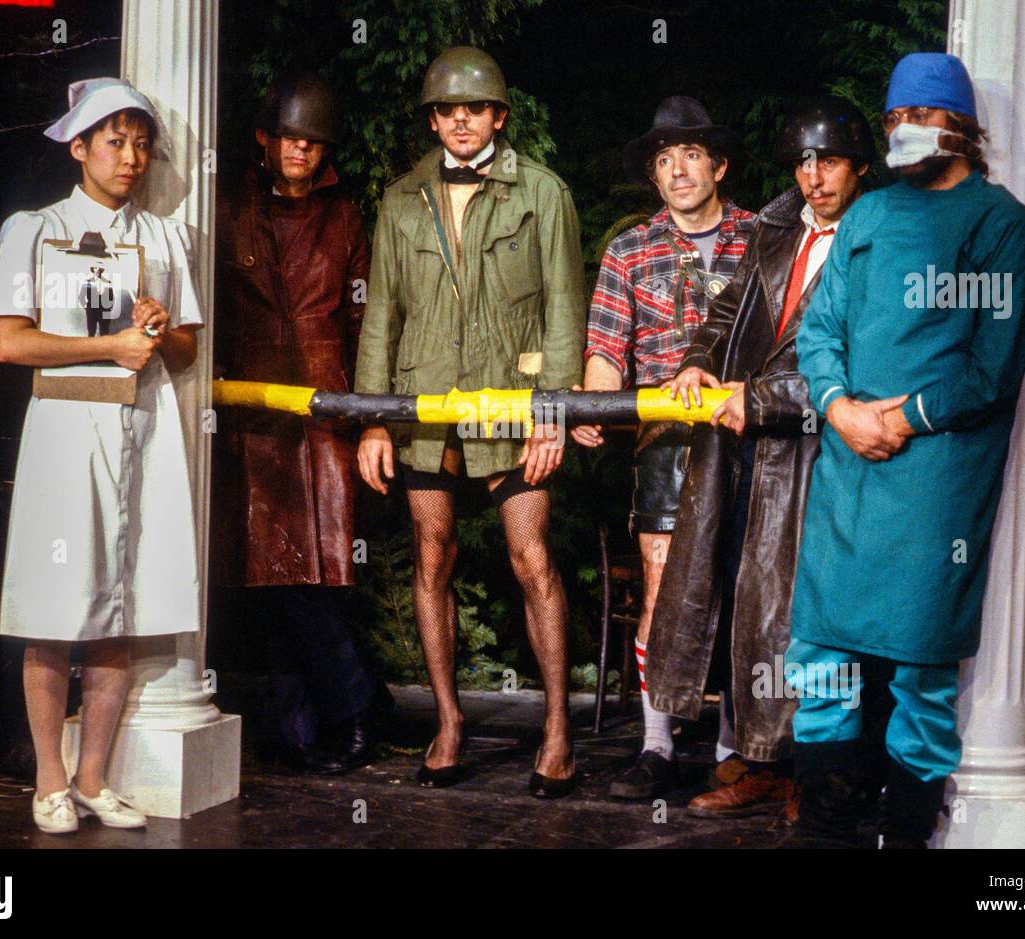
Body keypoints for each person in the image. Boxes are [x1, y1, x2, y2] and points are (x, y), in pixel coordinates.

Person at [788, 53, 1025, 847]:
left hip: (935, 486)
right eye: (894, 120)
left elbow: (991, 368)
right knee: (820, 660)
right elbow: (819, 330)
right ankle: (824, 836)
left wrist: (902, 418)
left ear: (960, 127)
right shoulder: (866, 216)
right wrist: (839, 407)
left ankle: (903, 839)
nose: (905, 132)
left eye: (920, 118)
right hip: (845, 474)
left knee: (922, 675)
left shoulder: (999, 224)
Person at [354, 46, 586, 797]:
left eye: (475, 108)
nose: (461, 121)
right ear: (433, 120)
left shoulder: (542, 193)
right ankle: (449, 722)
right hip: (424, 404)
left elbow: (564, 308)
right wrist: (374, 419)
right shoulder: (400, 200)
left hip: (513, 402)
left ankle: (557, 729)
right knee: (432, 558)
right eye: (448, 110)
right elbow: (382, 314)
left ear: (499, 116)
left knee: (532, 560)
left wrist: (552, 413)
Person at [0, 78, 204, 833]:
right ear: (79, 147)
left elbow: (185, 349)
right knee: (55, 608)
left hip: (143, 432)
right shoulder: (35, 230)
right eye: (115, 142)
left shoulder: (165, 238)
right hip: (64, 434)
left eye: (141, 144)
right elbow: (10, 342)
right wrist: (108, 346)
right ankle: (48, 781)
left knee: (122, 609)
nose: (131, 157)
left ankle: (92, 779)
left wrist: (160, 327)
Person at [655, 96, 876, 821]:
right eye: (804, 163)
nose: (814, 177)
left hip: (819, 451)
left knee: (806, 616)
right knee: (746, 603)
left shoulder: (876, 241)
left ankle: (814, 775)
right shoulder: (777, 227)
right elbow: (729, 308)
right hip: (743, 447)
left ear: (859, 166)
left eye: (829, 161)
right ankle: (760, 761)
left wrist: (761, 398)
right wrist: (697, 357)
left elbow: (863, 362)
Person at [572, 96, 754, 800]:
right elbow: (605, 351)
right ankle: (657, 746)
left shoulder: (761, 238)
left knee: (744, 591)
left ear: (719, 165)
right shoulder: (629, 250)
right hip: (665, 445)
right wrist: (594, 406)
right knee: (661, 590)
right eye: (664, 159)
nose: (678, 170)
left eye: (691, 155)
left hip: (748, 438)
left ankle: (735, 752)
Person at [213, 72, 389, 775]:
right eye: (289, 137)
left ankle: (348, 713)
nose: (300, 150)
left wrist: (368, 413)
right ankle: (308, 725)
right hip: (252, 409)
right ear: (265, 139)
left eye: (313, 141)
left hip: (326, 405)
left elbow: (365, 317)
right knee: (271, 575)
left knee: (317, 577)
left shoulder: (344, 216)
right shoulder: (229, 206)